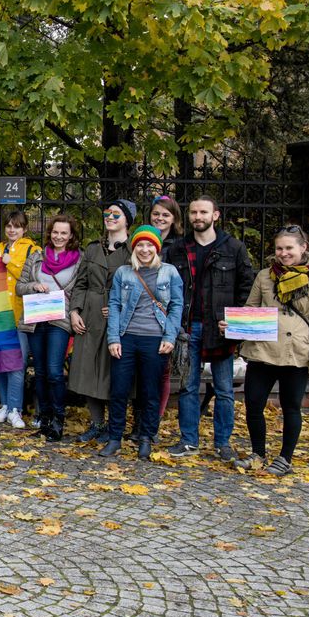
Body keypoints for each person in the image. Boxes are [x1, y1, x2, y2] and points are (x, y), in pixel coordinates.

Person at [234, 226, 309, 476]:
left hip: (295, 354)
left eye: (289, 248)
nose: (284, 253)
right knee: (253, 404)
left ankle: (285, 458)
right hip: (262, 351)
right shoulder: (265, 276)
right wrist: (235, 325)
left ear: (303, 248)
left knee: (290, 407)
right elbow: (251, 309)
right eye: (279, 248)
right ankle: (258, 454)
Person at [165, 195, 255, 461]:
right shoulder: (178, 249)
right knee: (189, 386)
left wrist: (237, 323)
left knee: (225, 389)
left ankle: (222, 443)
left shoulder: (234, 248)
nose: (198, 217)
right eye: (193, 212)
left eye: (203, 212)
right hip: (188, 326)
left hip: (221, 328)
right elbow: (168, 287)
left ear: (215, 215)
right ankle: (189, 440)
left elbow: (245, 288)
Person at [100, 226, 184, 461]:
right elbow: (115, 305)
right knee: (118, 390)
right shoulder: (123, 273)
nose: (144, 249)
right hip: (127, 337)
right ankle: (115, 438)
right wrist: (113, 338)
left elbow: (176, 306)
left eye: (149, 245)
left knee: (149, 391)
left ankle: (146, 437)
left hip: (155, 339)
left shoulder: (169, 272)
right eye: (140, 245)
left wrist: (170, 336)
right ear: (134, 248)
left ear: (156, 248)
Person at [67, 199, 135, 442]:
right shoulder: (93, 249)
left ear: (127, 220)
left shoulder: (134, 250)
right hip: (90, 317)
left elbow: (140, 285)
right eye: (107, 213)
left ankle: (114, 426)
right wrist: (74, 311)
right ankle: (96, 423)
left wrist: (121, 307)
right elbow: (81, 283)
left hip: (119, 322)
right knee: (88, 370)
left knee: (112, 372)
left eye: (116, 215)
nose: (110, 218)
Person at [14, 214, 81, 442]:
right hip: (35, 318)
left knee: (54, 372)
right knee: (40, 372)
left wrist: (72, 308)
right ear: (49, 233)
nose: (59, 236)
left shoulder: (78, 260)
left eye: (64, 233)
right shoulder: (36, 257)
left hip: (59, 321)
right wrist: (34, 285)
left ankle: (58, 421)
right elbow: (19, 287)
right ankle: (44, 420)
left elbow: (80, 291)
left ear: (71, 235)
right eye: (55, 232)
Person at [129, 195, 184, 438]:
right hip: (140, 320)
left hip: (165, 317)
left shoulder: (180, 247)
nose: (160, 218)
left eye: (166, 215)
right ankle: (138, 421)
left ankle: (152, 423)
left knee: (160, 374)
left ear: (174, 219)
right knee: (139, 375)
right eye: (156, 214)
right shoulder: (140, 242)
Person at [0, 210, 38, 429]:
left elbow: (32, 278)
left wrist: (10, 263)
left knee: (17, 363)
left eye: (16, 226)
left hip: (22, 315)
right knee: (1, 363)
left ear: (24, 229)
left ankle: (15, 409)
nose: (12, 230)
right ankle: (4, 405)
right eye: (9, 226)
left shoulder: (33, 250)